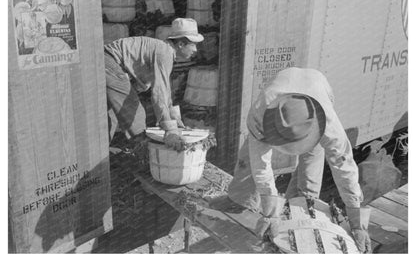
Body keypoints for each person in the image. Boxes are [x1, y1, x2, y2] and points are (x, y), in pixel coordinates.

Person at [227, 67, 371, 253]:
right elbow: (261, 166)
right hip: (284, 88)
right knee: (248, 162)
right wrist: (270, 213)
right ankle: (239, 204)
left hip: (318, 88)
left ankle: (303, 211)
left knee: (310, 171)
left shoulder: (327, 123)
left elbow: (344, 167)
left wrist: (357, 223)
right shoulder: (260, 113)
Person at [104, 18, 204, 151]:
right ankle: (143, 153)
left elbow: (166, 92)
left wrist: (175, 120)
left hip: (107, 61)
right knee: (134, 110)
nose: (196, 50)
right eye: (193, 45)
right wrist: (170, 130)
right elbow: (159, 92)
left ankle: (102, 154)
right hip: (111, 62)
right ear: (180, 44)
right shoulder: (164, 53)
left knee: (110, 116)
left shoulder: (164, 50)